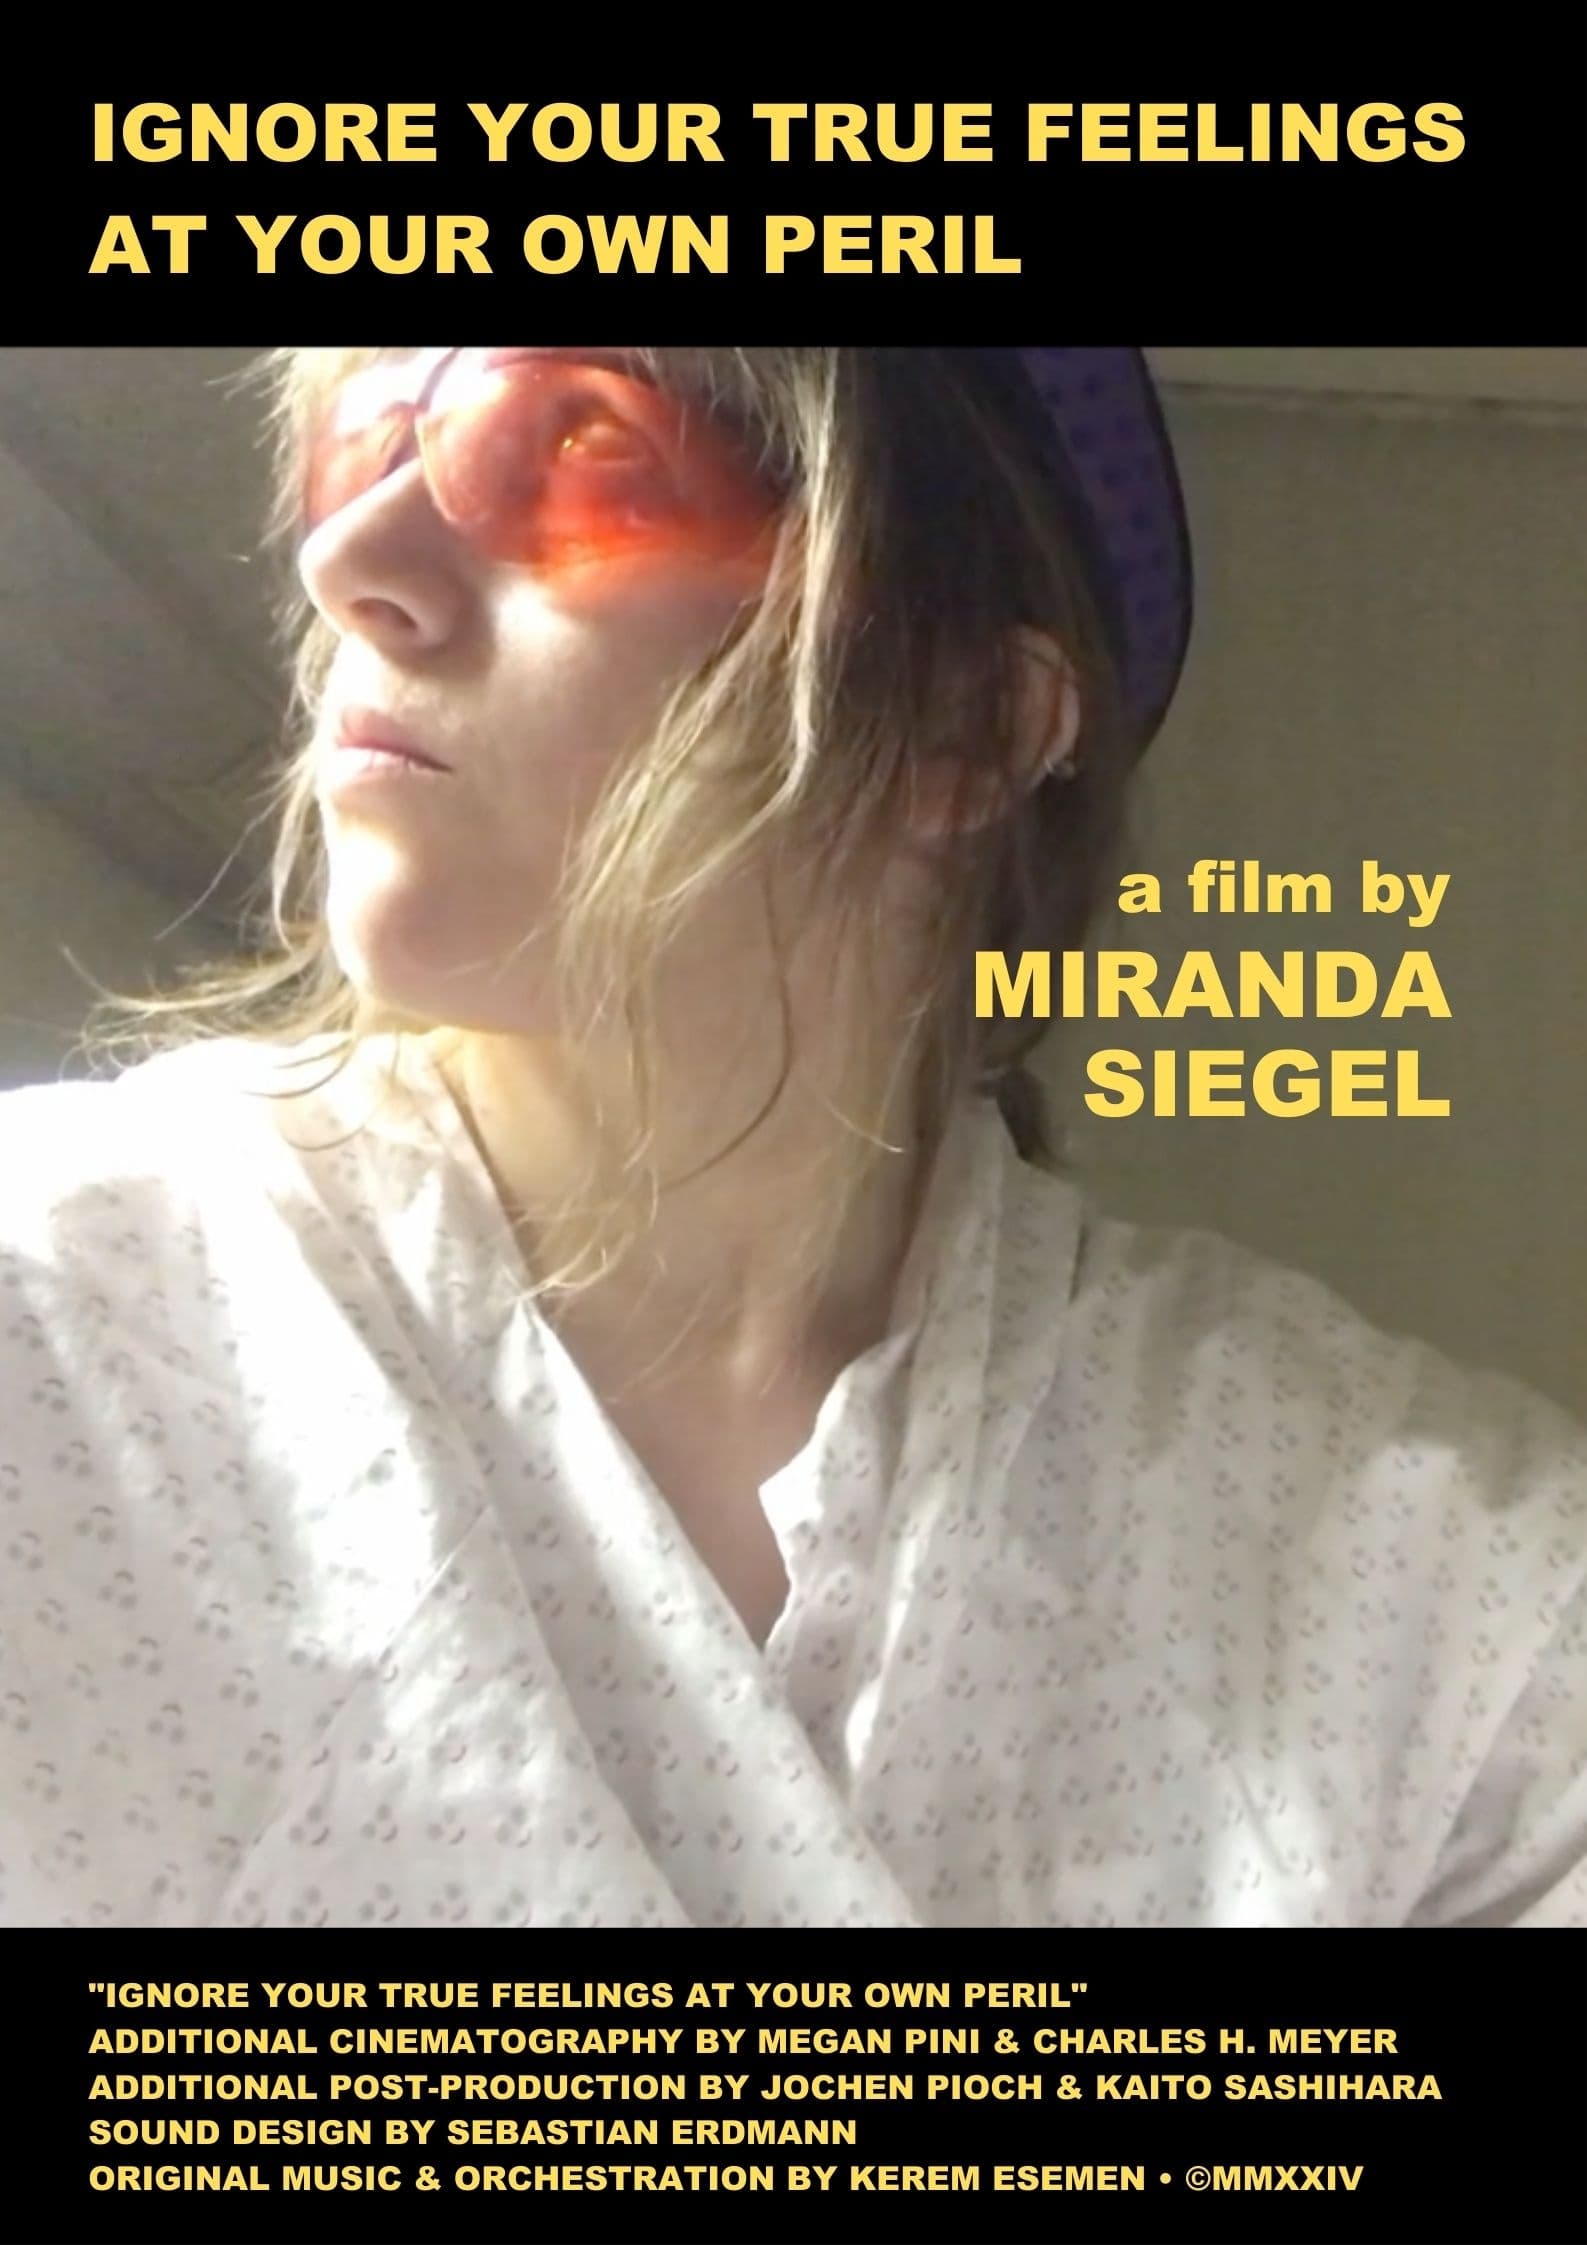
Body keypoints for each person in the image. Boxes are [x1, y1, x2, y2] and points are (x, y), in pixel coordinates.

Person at [0, 345, 1581, 1932]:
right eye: (362, 443)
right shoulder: (58, 1331)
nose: (350, 561)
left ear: (962, 722)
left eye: (573, 447)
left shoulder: (1448, 1599)